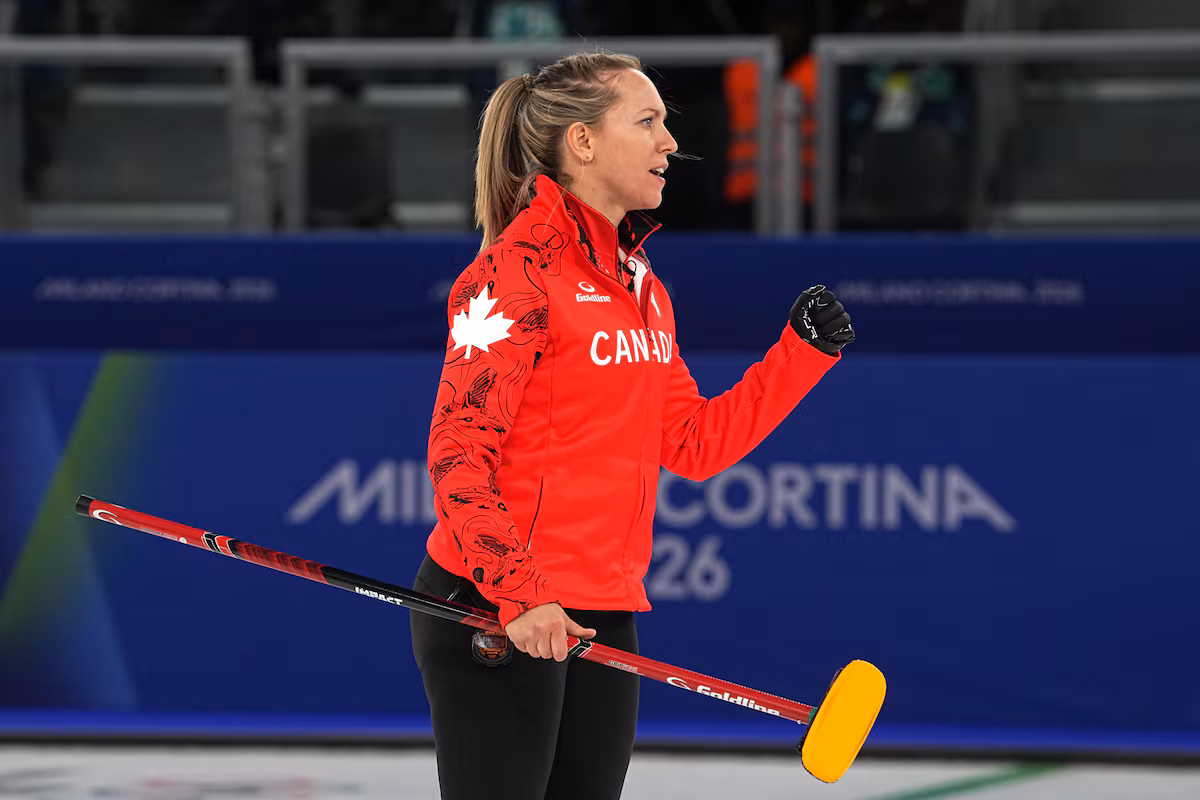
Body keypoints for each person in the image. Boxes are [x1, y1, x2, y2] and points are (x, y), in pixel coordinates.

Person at [409, 51, 855, 800]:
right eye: (646, 122)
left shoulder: (640, 284)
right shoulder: (513, 272)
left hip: (599, 612)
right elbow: (457, 450)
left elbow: (694, 444)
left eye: (665, 124)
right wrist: (519, 592)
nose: (670, 143)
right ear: (582, 142)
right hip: (496, 608)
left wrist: (800, 358)